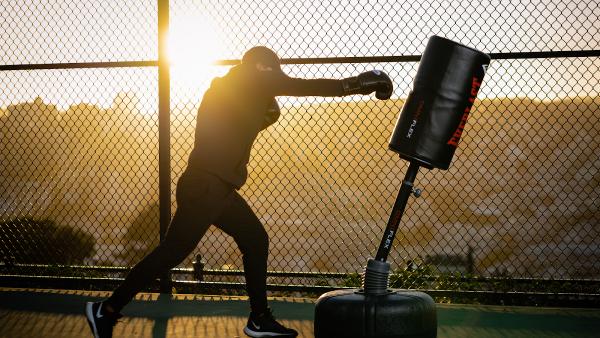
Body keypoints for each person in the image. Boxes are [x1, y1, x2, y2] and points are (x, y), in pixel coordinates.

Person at [85, 46, 393, 338]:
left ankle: (258, 318)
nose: (276, 82)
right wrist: (357, 84)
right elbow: (298, 87)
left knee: (252, 239)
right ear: (263, 67)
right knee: (174, 253)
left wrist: (267, 109)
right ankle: (107, 310)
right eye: (273, 75)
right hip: (208, 186)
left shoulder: (228, 90)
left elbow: (252, 120)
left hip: (212, 187)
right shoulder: (249, 78)